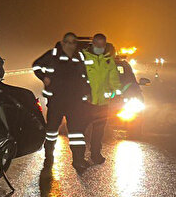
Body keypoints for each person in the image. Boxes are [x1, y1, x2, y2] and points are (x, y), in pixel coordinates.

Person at [32, 32, 91, 172]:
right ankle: (49, 157)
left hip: (75, 101)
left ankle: (78, 160)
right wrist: (44, 77)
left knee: (77, 133)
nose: (71, 45)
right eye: (68, 42)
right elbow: (36, 66)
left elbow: (85, 76)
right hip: (57, 100)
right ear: (63, 42)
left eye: (73, 42)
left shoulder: (79, 56)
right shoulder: (53, 54)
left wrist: (87, 92)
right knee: (51, 131)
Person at [82, 34, 123, 164]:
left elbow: (114, 79)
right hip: (86, 102)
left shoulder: (108, 60)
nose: (99, 47)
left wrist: (117, 94)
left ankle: (95, 154)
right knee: (80, 130)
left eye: (102, 45)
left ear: (104, 45)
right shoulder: (83, 57)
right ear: (92, 44)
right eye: (97, 44)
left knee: (98, 132)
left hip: (102, 103)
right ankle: (78, 157)